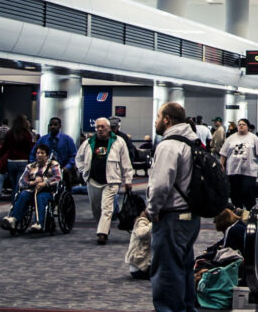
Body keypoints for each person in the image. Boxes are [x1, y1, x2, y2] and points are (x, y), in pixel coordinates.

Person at [146, 102, 200, 312]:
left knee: (167, 272)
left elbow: (160, 185)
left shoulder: (169, 146)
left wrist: (153, 210)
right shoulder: (192, 141)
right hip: (190, 216)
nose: (156, 121)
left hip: (171, 217)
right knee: (184, 268)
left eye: (158, 116)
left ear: (167, 119)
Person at [76, 116, 134, 244]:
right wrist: (83, 171)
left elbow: (126, 162)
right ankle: (102, 228)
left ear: (109, 128)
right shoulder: (88, 142)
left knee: (107, 207)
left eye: (103, 127)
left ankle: (102, 234)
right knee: (96, 208)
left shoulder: (119, 142)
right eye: (98, 127)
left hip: (111, 181)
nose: (100, 129)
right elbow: (78, 158)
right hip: (93, 181)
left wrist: (128, 179)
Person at [1, 143, 61, 233]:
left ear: (47, 155)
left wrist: (45, 183)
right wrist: (31, 183)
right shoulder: (30, 166)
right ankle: (13, 219)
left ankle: (38, 223)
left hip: (47, 191)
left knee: (40, 197)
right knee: (23, 195)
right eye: (38, 153)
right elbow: (21, 181)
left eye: (42, 153)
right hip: (32, 189)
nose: (39, 155)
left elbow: (57, 177)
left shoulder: (53, 164)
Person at [220, 119, 258, 210]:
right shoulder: (230, 138)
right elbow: (223, 154)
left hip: (249, 171)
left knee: (247, 193)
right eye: (239, 124)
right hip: (233, 171)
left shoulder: (254, 138)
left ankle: (251, 212)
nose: (241, 126)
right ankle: (238, 213)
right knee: (235, 194)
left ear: (247, 126)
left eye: (243, 124)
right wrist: (221, 165)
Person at [0, 115, 34, 202]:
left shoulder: (10, 133)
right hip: (23, 161)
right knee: (18, 184)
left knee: (13, 182)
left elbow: (4, 147)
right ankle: (14, 202)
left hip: (11, 161)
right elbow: (30, 149)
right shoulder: (27, 134)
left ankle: (11, 200)